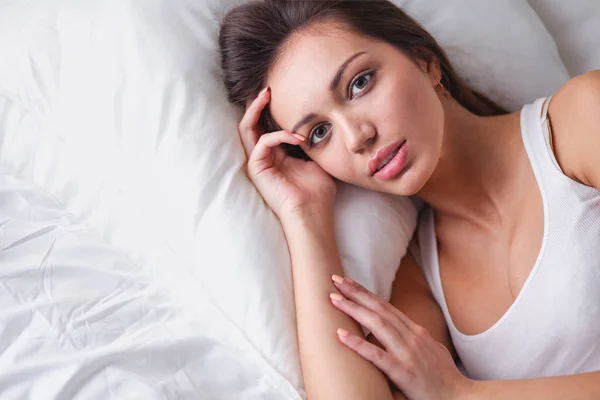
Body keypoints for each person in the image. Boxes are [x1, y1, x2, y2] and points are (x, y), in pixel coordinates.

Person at [219, 1, 600, 399]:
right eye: (318, 133)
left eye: (359, 83)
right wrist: (306, 217)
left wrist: (464, 394)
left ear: (425, 60)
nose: (356, 136)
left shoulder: (582, 118)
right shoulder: (418, 278)